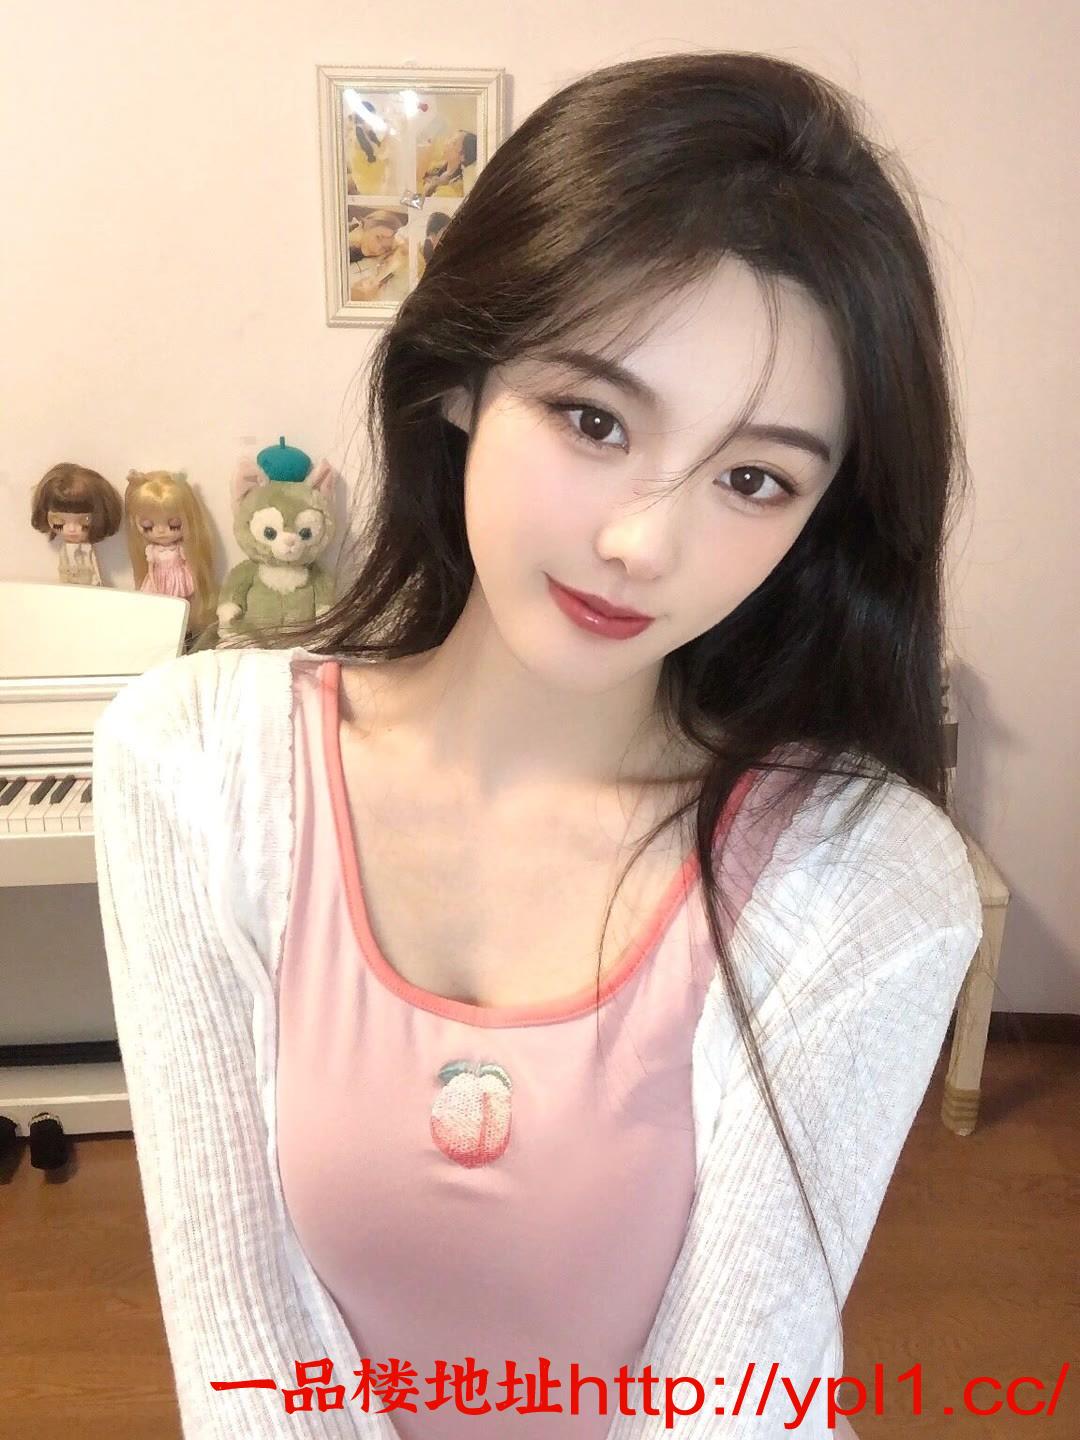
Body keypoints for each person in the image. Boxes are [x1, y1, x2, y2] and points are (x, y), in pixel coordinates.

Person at [92, 51, 983, 1439]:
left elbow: (732, 1401)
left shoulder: (861, 878)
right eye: (593, 418)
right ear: (462, 376)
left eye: (754, 479)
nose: (643, 541)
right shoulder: (198, 770)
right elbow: (244, 1354)